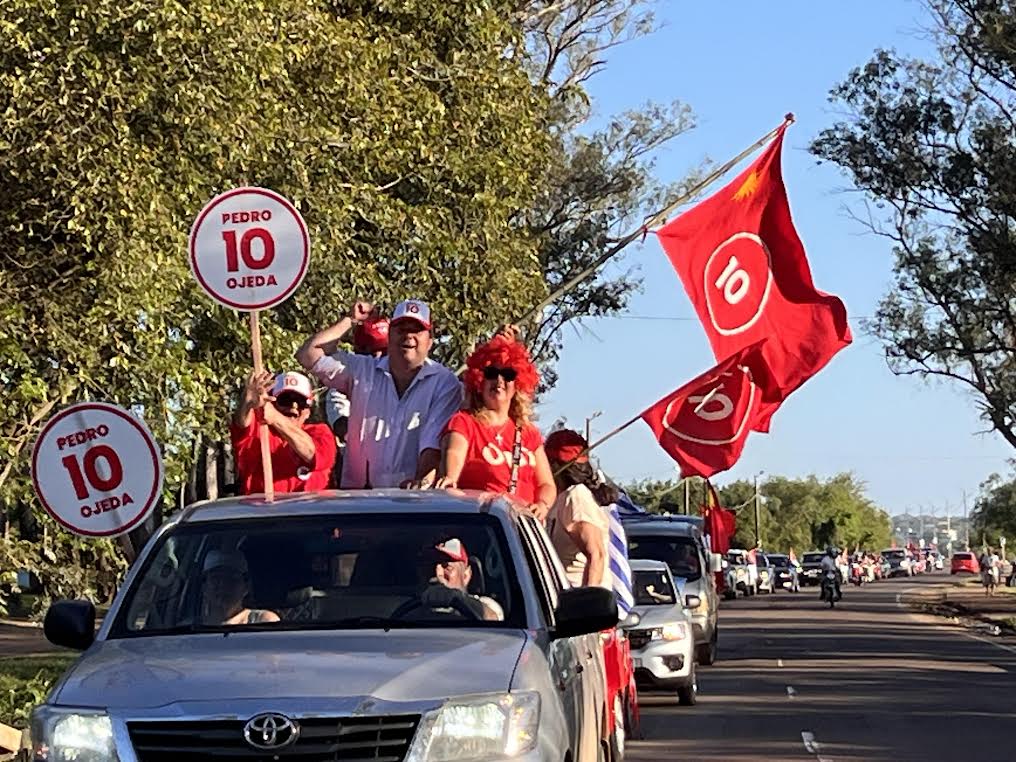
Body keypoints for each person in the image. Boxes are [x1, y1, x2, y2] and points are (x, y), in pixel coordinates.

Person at [297, 299, 462, 489]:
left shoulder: (445, 382)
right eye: (401, 329)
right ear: (389, 336)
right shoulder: (362, 369)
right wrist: (350, 320)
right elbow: (307, 354)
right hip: (360, 500)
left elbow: (432, 443)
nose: (408, 336)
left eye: (416, 330)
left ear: (430, 341)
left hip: (414, 502)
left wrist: (420, 484)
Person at [434, 334, 556, 518]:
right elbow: (454, 452)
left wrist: (542, 505)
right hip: (480, 522)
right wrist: (450, 478)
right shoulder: (464, 422)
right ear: (479, 381)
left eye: (508, 375)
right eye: (491, 373)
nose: (499, 381)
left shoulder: (528, 432)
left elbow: (546, 484)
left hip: (520, 525)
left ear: (518, 384)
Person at [230, 371, 337, 495]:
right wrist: (247, 403)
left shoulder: (320, 432)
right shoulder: (260, 430)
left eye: (300, 402)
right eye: (285, 400)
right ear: (272, 403)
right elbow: (243, 422)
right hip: (264, 512)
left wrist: (275, 417)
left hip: (312, 512)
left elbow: (313, 455)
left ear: (308, 410)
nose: (293, 408)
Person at [325, 314, 391, 487]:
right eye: (370, 350)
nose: (377, 357)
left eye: (383, 351)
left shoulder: (407, 378)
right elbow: (340, 421)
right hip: (358, 480)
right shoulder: (346, 377)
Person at [544, 430, 612, 591]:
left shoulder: (575, 497)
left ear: (554, 464)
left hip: (576, 603)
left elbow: (597, 555)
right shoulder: (560, 498)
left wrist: (586, 602)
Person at [417, 538, 503, 621]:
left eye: (447, 567)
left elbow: (492, 617)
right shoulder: (408, 609)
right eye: (429, 568)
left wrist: (457, 599)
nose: (437, 574)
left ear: (466, 575)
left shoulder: (485, 604)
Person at [199, 550, 279, 625]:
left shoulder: (263, 620)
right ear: (204, 587)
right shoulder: (190, 629)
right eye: (215, 578)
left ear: (246, 586)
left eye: (231, 579)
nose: (223, 585)